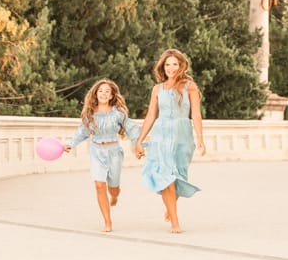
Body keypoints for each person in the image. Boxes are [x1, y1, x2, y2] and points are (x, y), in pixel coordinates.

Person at [134, 48, 206, 233]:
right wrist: (140, 140)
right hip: (161, 136)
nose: (171, 68)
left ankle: (170, 205)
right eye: (168, 64)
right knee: (165, 176)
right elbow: (151, 115)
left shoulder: (189, 86)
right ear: (162, 67)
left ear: (181, 65)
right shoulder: (157, 89)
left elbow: (196, 114)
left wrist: (200, 139)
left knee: (178, 176)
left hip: (183, 137)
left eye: (175, 64)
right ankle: (175, 222)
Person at [63, 79, 140, 233]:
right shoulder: (90, 115)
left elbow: (132, 129)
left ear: (111, 95)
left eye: (107, 91)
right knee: (99, 185)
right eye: (100, 91)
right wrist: (70, 143)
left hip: (114, 152)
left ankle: (115, 195)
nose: (103, 94)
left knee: (114, 187)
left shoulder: (118, 113)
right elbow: (82, 132)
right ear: (95, 94)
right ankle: (107, 221)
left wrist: (138, 145)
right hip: (97, 151)